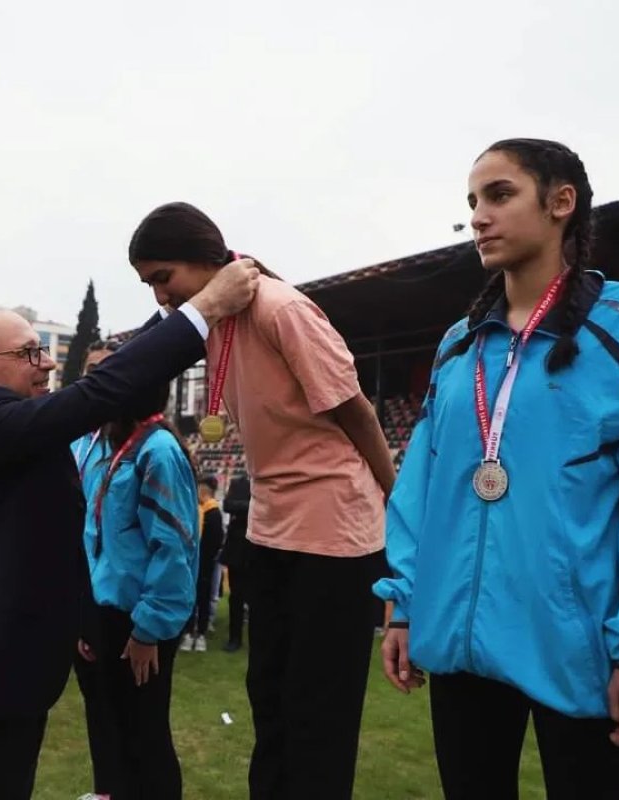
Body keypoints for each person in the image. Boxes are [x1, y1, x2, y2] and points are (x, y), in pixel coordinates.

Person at [376, 138, 619, 799]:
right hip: (458, 640)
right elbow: (421, 484)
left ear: (561, 202)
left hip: (581, 647)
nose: (478, 216)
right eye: (472, 201)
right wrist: (404, 604)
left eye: (499, 195)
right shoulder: (459, 343)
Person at [0, 262, 258, 800]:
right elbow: (96, 393)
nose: (49, 362)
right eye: (29, 353)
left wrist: (170, 313)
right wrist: (206, 308)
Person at [130, 202, 396, 800]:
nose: (160, 297)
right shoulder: (212, 321)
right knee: (268, 699)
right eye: (149, 285)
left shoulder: (281, 308)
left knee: (317, 712)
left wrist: (396, 499)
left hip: (331, 530)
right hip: (269, 526)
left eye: (163, 278)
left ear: (205, 258)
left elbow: (356, 411)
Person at [80, 378, 199, 799]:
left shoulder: (158, 451)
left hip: (140, 619)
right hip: (106, 613)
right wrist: (86, 615)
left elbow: (173, 547)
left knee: (144, 735)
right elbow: (95, 535)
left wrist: (148, 630)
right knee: (112, 731)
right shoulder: (107, 445)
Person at [71, 340, 123, 800]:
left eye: (110, 369)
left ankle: (118, 787)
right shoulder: (74, 438)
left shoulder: (133, 443)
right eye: (92, 370)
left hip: (112, 592)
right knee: (94, 697)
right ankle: (105, 786)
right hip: (71, 584)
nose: (99, 377)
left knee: (120, 704)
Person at [181, 475, 222, 653]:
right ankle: (189, 632)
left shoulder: (213, 512)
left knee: (203, 598)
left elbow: (216, 541)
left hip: (205, 564)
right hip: (190, 563)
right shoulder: (194, 510)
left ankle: (201, 634)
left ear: (204, 490)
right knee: (190, 598)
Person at [220, 472, 251, 653]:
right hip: (237, 549)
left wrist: (243, 507)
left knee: (260, 596)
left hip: (260, 549)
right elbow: (227, 505)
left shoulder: (268, 481)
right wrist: (254, 506)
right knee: (236, 596)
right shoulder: (237, 483)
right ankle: (235, 637)